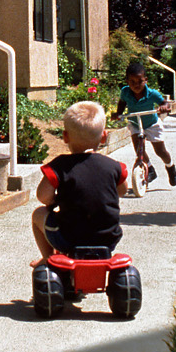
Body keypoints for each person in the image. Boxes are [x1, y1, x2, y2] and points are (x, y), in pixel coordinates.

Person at [32, 100, 128, 262]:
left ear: (65, 137)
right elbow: (123, 190)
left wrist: (54, 201)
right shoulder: (115, 167)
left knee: (38, 214)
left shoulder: (59, 167)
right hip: (107, 240)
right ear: (104, 136)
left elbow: (43, 197)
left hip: (68, 239)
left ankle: (48, 257)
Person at [113, 60, 176, 185]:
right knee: (138, 149)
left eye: (140, 81)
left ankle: (170, 167)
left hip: (152, 123)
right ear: (127, 82)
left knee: (160, 151)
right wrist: (119, 113)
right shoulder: (125, 92)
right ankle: (150, 169)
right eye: (132, 82)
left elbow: (164, 103)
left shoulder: (152, 94)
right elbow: (122, 102)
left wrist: (164, 107)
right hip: (135, 122)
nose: (136, 85)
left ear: (145, 80)